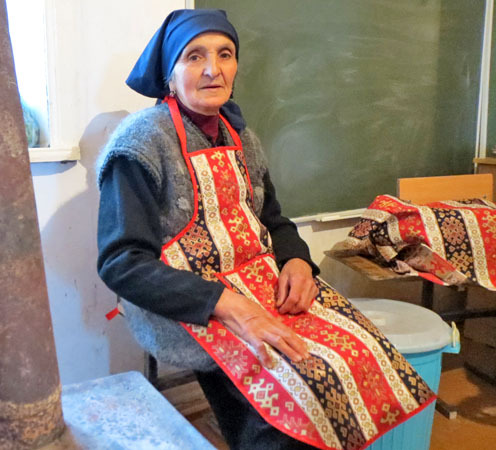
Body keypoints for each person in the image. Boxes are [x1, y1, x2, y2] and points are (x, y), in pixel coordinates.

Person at [97, 9, 433, 450]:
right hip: (182, 300)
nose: (213, 69)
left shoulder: (242, 137)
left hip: (255, 281)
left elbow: (272, 220)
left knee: (361, 350)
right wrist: (224, 303)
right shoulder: (141, 143)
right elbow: (122, 263)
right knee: (290, 389)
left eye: (225, 54)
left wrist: (298, 261)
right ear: (169, 74)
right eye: (194, 57)